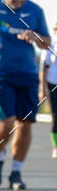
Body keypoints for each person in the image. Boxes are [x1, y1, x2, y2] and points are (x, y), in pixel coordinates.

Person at [0, 0, 50, 189]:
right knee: (7, 120)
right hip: (0, 73)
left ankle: (16, 174)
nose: (18, 0)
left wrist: (35, 37)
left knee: (26, 124)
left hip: (27, 74)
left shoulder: (35, 10)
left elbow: (46, 42)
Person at [39, 24, 57, 159]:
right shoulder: (49, 47)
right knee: (56, 116)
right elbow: (43, 69)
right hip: (53, 85)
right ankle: (56, 146)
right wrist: (42, 90)